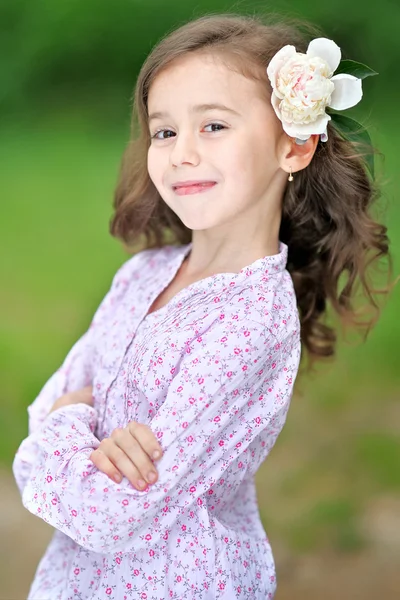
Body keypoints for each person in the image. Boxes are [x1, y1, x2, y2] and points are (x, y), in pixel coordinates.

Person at [12, 12, 390, 600]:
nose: (181, 153)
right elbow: (33, 437)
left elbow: (111, 513)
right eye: (164, 132)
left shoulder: (251, 321)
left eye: (213, 125)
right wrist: (74, 429)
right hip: (76, 582)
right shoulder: (143, 274)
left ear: (292, 145)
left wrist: (68, 422)